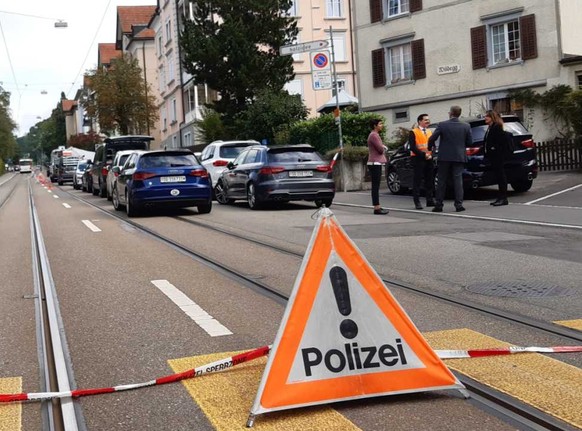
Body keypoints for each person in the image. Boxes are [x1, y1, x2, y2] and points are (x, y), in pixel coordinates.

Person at [428, 105, 472, 213]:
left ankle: (439, 205)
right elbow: (470, 142)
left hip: (445, 156)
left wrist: (431, 147)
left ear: (450, 113)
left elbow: (432, 138)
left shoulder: (442, 125)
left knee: (441, 181)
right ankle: (459, 205)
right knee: (458, 181)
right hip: (459, 156)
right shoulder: (466, 126)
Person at [409, 114, 435, 210]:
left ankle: (430, 200)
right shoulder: (413, 132)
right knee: (418, 180)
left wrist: (432, 153)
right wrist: (424, 155)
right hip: (418, 159)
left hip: (429, 158)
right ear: (420, 121)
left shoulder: (429, 131)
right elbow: (412, 147)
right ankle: (417, 201)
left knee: (429, 180)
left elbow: (432, 144)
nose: (428, 121)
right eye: (425, 120)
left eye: (428, 119)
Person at [484, 109, 509, 206]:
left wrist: (493, 149)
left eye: (487, 116)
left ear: (492, 117)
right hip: (493, 157)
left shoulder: (497, 127)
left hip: (497, 156)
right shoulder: (490, 127)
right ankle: (500, 197)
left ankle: (503, 198)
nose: (485, 118)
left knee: (501, 176)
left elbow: (501, 142)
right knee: (498, 176)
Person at [367, 118, 389, 215]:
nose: (381, 125)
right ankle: (377, 208)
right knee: (375, 186)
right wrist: (384, 148)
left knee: (375, 186)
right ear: (375, 125)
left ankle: (377, 206)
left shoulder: (374, 135)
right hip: (375, 163)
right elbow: (380, 150)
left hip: (374, 163)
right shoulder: (374, 135)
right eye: (380, 124)